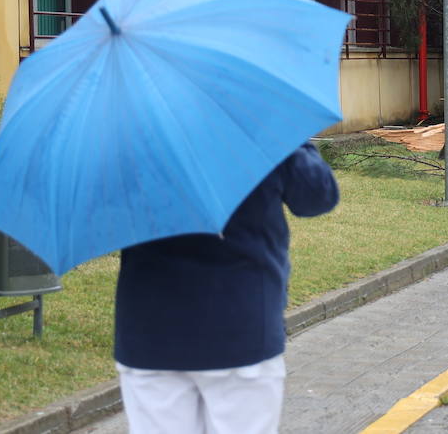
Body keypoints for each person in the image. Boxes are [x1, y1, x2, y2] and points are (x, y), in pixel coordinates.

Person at [113, 141, 339, 434]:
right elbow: (316, 196)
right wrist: (290, 135)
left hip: (149, 328)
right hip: (239, 323)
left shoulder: (127, 132)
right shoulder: (252, 125)